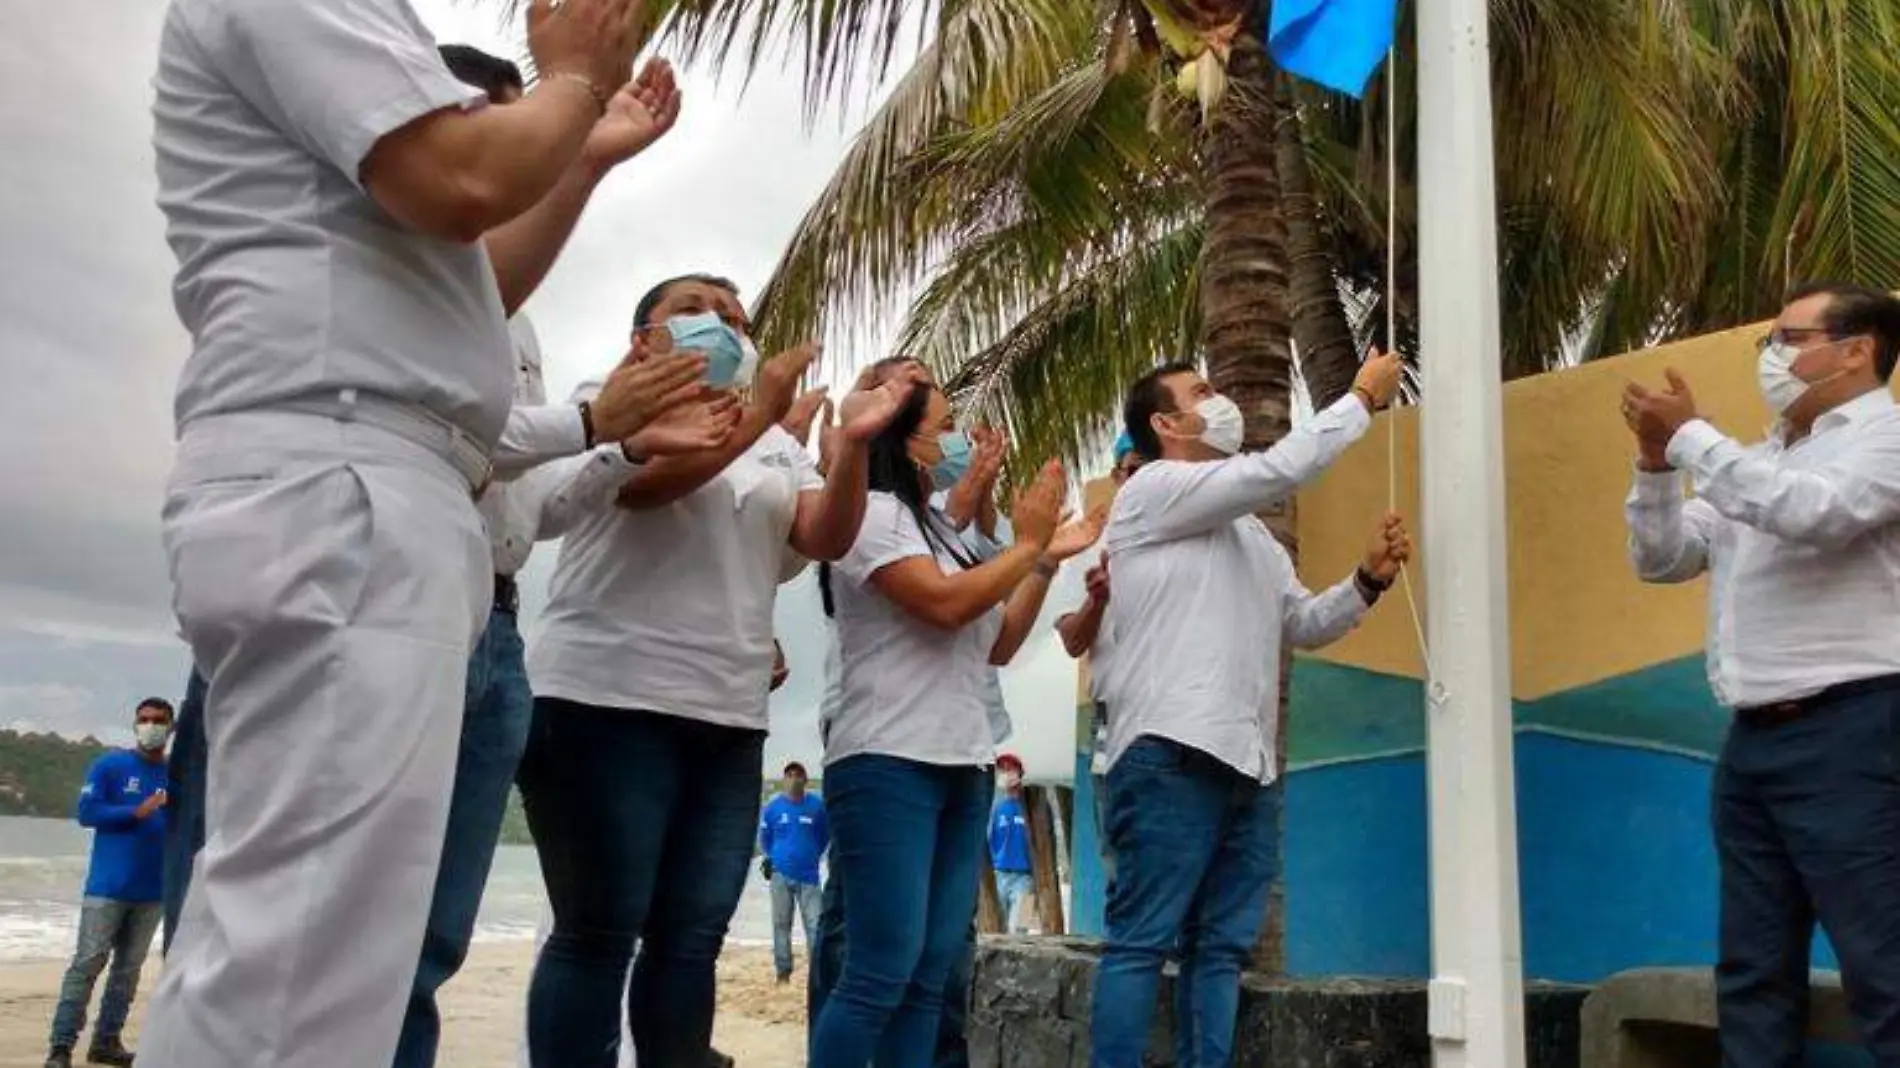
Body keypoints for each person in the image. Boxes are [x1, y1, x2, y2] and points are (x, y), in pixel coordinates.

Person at [516, 274, 908, 1068]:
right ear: (644, 339)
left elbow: (823, 536)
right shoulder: (617, 399)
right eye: (695, 310)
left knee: (691, 937)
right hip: (604, 699)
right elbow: (643, 490)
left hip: (728, 715)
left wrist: (854, 449)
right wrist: (761, 411)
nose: (723, 325)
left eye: (735, 316)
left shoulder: (774, 444)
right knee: (598, 930)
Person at [1087, 354, 1409, 1068]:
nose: (1222, 399)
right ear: (1167, 425)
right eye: (1202, 393)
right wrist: (1358, 398)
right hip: (1169, 751)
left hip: (1247, 762)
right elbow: (1275, 471)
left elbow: (1304, 623)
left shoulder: (1253, 537)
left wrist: (1366, 581)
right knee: (1142, 941)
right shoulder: (1153, 490)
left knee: (1220, 951)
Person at [1622, 282, 1900, 1068]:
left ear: (1856, 349)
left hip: (1856, 728)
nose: (1771, 356)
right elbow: (1664, 558)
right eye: (1767, 341)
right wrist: (1653, 464)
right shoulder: (1760, 456)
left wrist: (1694, 440)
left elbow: (1815, 513)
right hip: (1752, 740)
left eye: (1788, 337)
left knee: (1882, 965)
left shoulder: (1886, 438)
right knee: (1751, 973)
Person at [808, 379, 1102, 1067]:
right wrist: (1027, 547)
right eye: (944, 426)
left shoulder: (940, 526)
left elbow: (995, 640)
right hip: (886, 758)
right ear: (904, 439)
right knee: (879, 973)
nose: (956, 440)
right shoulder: (872, 514)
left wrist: (1043, 561)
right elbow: (940, 604)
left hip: (961, 761)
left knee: (927, 977)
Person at [43, 700, 174, 1068]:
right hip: (107, 889)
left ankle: (106, 1042)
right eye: (144, 720)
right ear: (134, 724)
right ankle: (60, 1048)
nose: (151, 726)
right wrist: (134, 811)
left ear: (171, 728)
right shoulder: (111, 765)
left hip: (153, 892)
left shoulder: (177, 774)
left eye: (159, 721)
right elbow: (86, 813)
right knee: (86, 965)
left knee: (128, 973)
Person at [760, 762, 830, 983]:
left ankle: (817, 974)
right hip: (780, 875)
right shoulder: (772, 808)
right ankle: (783, 972)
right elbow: (766, 839)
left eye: (798, 775)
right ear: (784, 779)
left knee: (815, 925)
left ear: (805, 780)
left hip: (809, 876)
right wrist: (773, 859)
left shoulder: (817, 806)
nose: (793, 778)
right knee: (781, 925)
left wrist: (811, 856)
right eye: (789, 775)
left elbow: (824, 837)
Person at [988, 754, 1035, 934]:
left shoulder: (1031, 804)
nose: (1006, 773)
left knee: (1020, 931)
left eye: (1010, 769)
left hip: (1026, 878)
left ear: (1019, 773)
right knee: (995, 932)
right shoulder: (997, 808)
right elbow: (991, 842)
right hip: (999, 876)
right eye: (1002, 770)